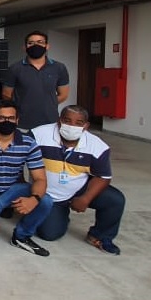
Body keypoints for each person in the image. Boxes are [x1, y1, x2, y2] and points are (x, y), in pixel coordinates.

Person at [32, 105, 125, 255]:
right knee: (49, 234)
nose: (72, 126)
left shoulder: (97, 147)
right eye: (67, 121)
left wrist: (86, 198)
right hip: (49, 195)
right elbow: (18, 156)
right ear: (59, 121)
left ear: (86, 126)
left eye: (78, 123)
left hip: (80, 188)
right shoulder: (38, 134)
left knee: (115, 200)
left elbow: (103, 177)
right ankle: (59, 214)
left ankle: (100, 236)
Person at [0, 100, 54, 256]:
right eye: (1, 118)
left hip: (14, 191)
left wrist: (34, 199)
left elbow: (40, 179)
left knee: (45, 200)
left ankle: (21, 236)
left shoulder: (28, 143)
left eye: (11, 118)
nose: (6, 121)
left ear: (17, 120)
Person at [2, 30, 70, 130]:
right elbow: (6, 95)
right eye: (31, 43)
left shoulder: (59, 68)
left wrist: (47, 103)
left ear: (47, 46)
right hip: (22, 123)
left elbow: (63, 95)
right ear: (24, 47)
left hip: (50, 122)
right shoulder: (14, 68)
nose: (35, 45)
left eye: (40, 42)